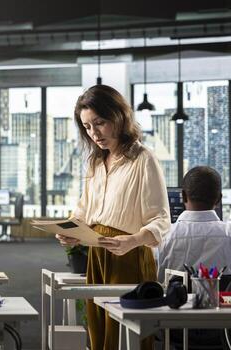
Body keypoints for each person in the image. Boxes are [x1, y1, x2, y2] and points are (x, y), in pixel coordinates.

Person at [56, 85, 170, 350]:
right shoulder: (96, 163)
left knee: (125, 335)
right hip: (98, 256)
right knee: (98, 332)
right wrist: (71, 231)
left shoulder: (143, 159)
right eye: (86, 127)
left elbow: (162, 219)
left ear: (118, 117)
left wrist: (132, 240)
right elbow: (84, 211)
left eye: (100, 123)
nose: (94, 133)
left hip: (129, 256)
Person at [158, 166, 231, 282]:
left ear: (183, 196)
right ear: (219, 199)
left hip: (177, 300)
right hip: (226, 300)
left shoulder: (162, 238)